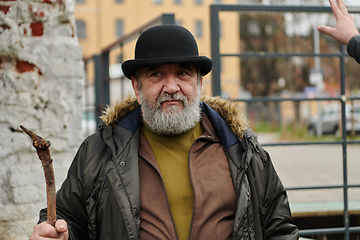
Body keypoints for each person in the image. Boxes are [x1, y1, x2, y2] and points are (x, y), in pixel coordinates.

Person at [30, 24, 299, 240]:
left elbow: (279, 228)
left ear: (199, 82)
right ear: (137, 87)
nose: (171, 87)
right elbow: (68, 218)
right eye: (156, 75)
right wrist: (56, 233)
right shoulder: (99, 152)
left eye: (183, 73)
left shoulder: (243, 151)